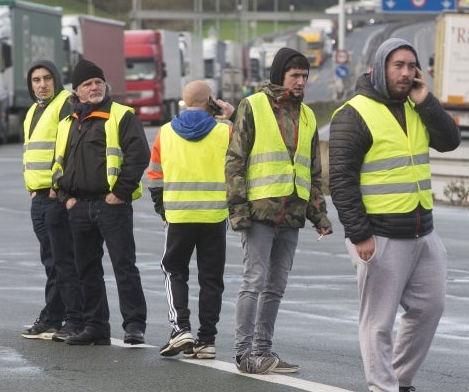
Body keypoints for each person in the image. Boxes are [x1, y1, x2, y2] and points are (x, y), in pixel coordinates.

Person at [328, 38, 461, 392]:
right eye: (398, 65)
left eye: (411, 66)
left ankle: (401, 382)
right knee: (379, 320)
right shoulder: (353, 114)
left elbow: (450, 141)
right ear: (379, 67)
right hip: (379, 234)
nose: (406, 73)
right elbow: (341, 181)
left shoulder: (416, 107)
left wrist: (427, 101)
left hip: (422, 231)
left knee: (430, 307)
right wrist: (359, 234)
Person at [226, 48, 332, 375]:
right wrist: (239, 211)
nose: (301, 81)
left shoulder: (308, 116)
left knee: (276, 286)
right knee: (254, 281)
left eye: (304, 75)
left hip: (292, 214)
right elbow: (235, 162)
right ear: (279, 76)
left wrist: (320, 215)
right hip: (259, 213)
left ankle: (263, 351)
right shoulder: (253, 106)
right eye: (295, 76)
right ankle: (245, 354)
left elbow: (312, 173)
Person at [51, 59, 151, 346]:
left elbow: (138, 155)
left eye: (98, 82)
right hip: (79, 206)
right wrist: (66, 197)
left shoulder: (121, 115)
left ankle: (134, 325)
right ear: (76, 91)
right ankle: (96, 326)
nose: (94, 87)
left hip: (112, 205)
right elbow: (58, 163)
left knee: (124, 265)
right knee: (86, 269)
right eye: (87, 84)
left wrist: (119, 192)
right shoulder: (67, 123)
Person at [147, 80, 235, 360]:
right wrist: (230, 116)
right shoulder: (227, 131)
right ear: (211, 100)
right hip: (214, 215)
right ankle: (207, 340)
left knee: (174, 270)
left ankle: (180, 329)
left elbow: (155, 177)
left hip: (179, 215)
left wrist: (164, 211)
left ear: (184, 102)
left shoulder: (164, 133)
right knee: (211, 278)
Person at [20, 59, 81, 341]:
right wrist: (32, 188)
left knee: (64, 261)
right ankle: (53, 316)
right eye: (36, 80)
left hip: (56, 196)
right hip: (39, 196)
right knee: (51, 261)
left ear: (56, 79)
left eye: (46, 78)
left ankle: (72, 318)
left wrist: (60, 187)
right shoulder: (34, 109)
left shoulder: (65, 104)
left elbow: (70, 148)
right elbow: (31, 152)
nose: (42, 85)